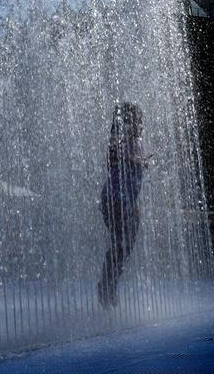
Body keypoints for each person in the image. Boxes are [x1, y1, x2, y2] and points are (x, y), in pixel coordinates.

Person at [97, 102, 150, 308]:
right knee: (121, 245)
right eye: (137, 120)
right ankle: (106, 287)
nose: (141, 125)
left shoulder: (135, 141)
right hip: (114, 201)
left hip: (126, 202)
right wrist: (135, 159)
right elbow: (113, 155)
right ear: (127, 122)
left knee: (124, 247)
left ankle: (109, 285)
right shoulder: (117, 140)